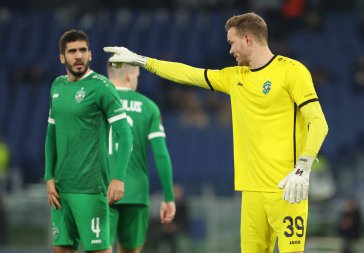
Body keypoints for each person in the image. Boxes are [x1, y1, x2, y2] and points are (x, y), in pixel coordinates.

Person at [104, 12, 328, 253]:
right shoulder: (234, 78)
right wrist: (140, 60)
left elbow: (318, 122)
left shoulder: (292, 71)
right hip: (251, 191)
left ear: (248, 39)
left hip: (286, 189)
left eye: (232, 43)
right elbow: (188, 73)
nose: (230, 50)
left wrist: (302, 169)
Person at [44, 29, 132, 253]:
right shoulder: (57, 86)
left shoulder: (101, 87)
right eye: (72, 51)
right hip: (61, 189)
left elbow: (125, 134)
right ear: (62, 58)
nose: (78, 56)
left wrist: (118, 177)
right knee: (61, 249)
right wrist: (49, 177)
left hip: (91, 189)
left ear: (90, 54)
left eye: (83, 50)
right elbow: (51, 135)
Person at [107, 63, 176, 253]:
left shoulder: (96, 103)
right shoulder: (149, 107)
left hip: (102, 192)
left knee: (97, 249)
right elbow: (161, 154)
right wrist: (168, 196)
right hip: (136, 194)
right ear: (130, 75)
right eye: (137, 75)